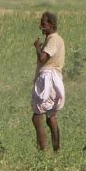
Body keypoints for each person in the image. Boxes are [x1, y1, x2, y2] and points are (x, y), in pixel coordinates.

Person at [31, 11, 66, 152]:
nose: (41, 26)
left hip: (48, 78)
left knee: (37, 117)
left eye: (44, 23)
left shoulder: (52, 39)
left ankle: (43, 152)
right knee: (50, 116)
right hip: (54, 77)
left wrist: (38, 47)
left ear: (51, 25)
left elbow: (43, 58)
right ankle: (56, 150)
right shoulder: (56, 39)